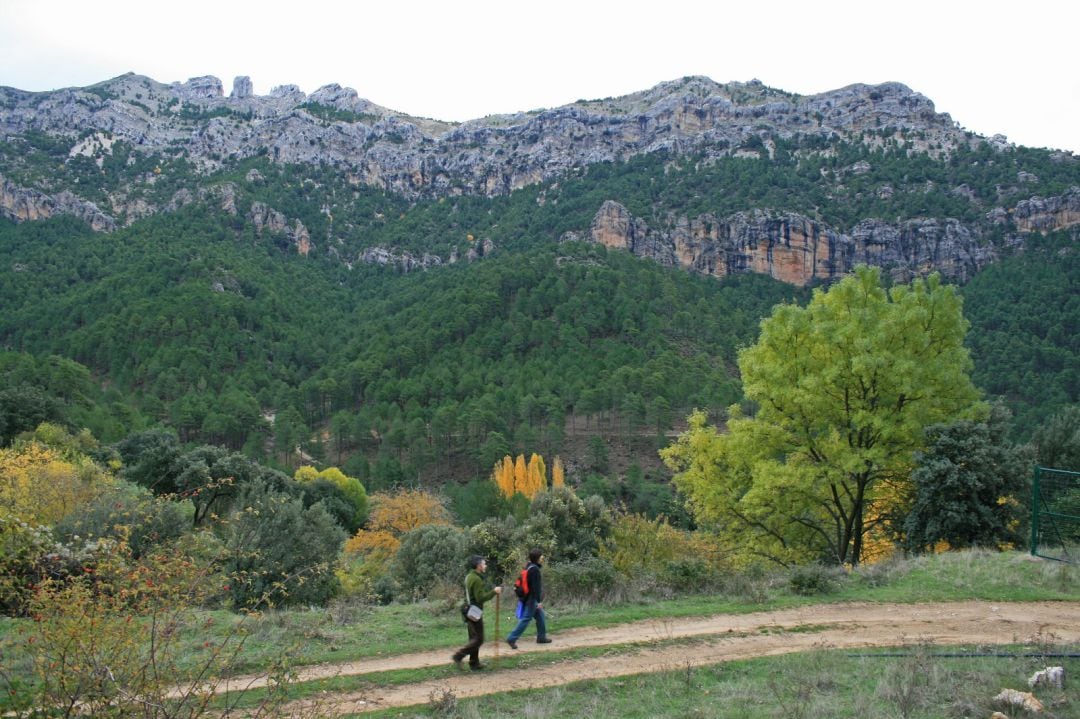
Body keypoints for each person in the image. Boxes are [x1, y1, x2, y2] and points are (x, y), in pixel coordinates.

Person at [452, 555, 502, 670]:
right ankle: (458, 656)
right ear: (479, 566)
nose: (485, 566)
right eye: (484, 564)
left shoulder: (469, 576)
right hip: (474, 612)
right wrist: (494, 592)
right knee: (479, 639)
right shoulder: (477, 579)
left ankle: (474, 663)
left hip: (467, 609)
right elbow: (480, 598)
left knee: (473, 638)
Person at [506, 548, 551, 649]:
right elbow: (536, 587)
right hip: (532, 599)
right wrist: (538, 601)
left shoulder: (528, 566)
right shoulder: (534, 570)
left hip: (527, 597)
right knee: (526, 619)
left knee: (540, 616)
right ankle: (511, 638)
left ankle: (541, 637)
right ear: (537, 558)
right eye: (541, 555)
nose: (542, 557)